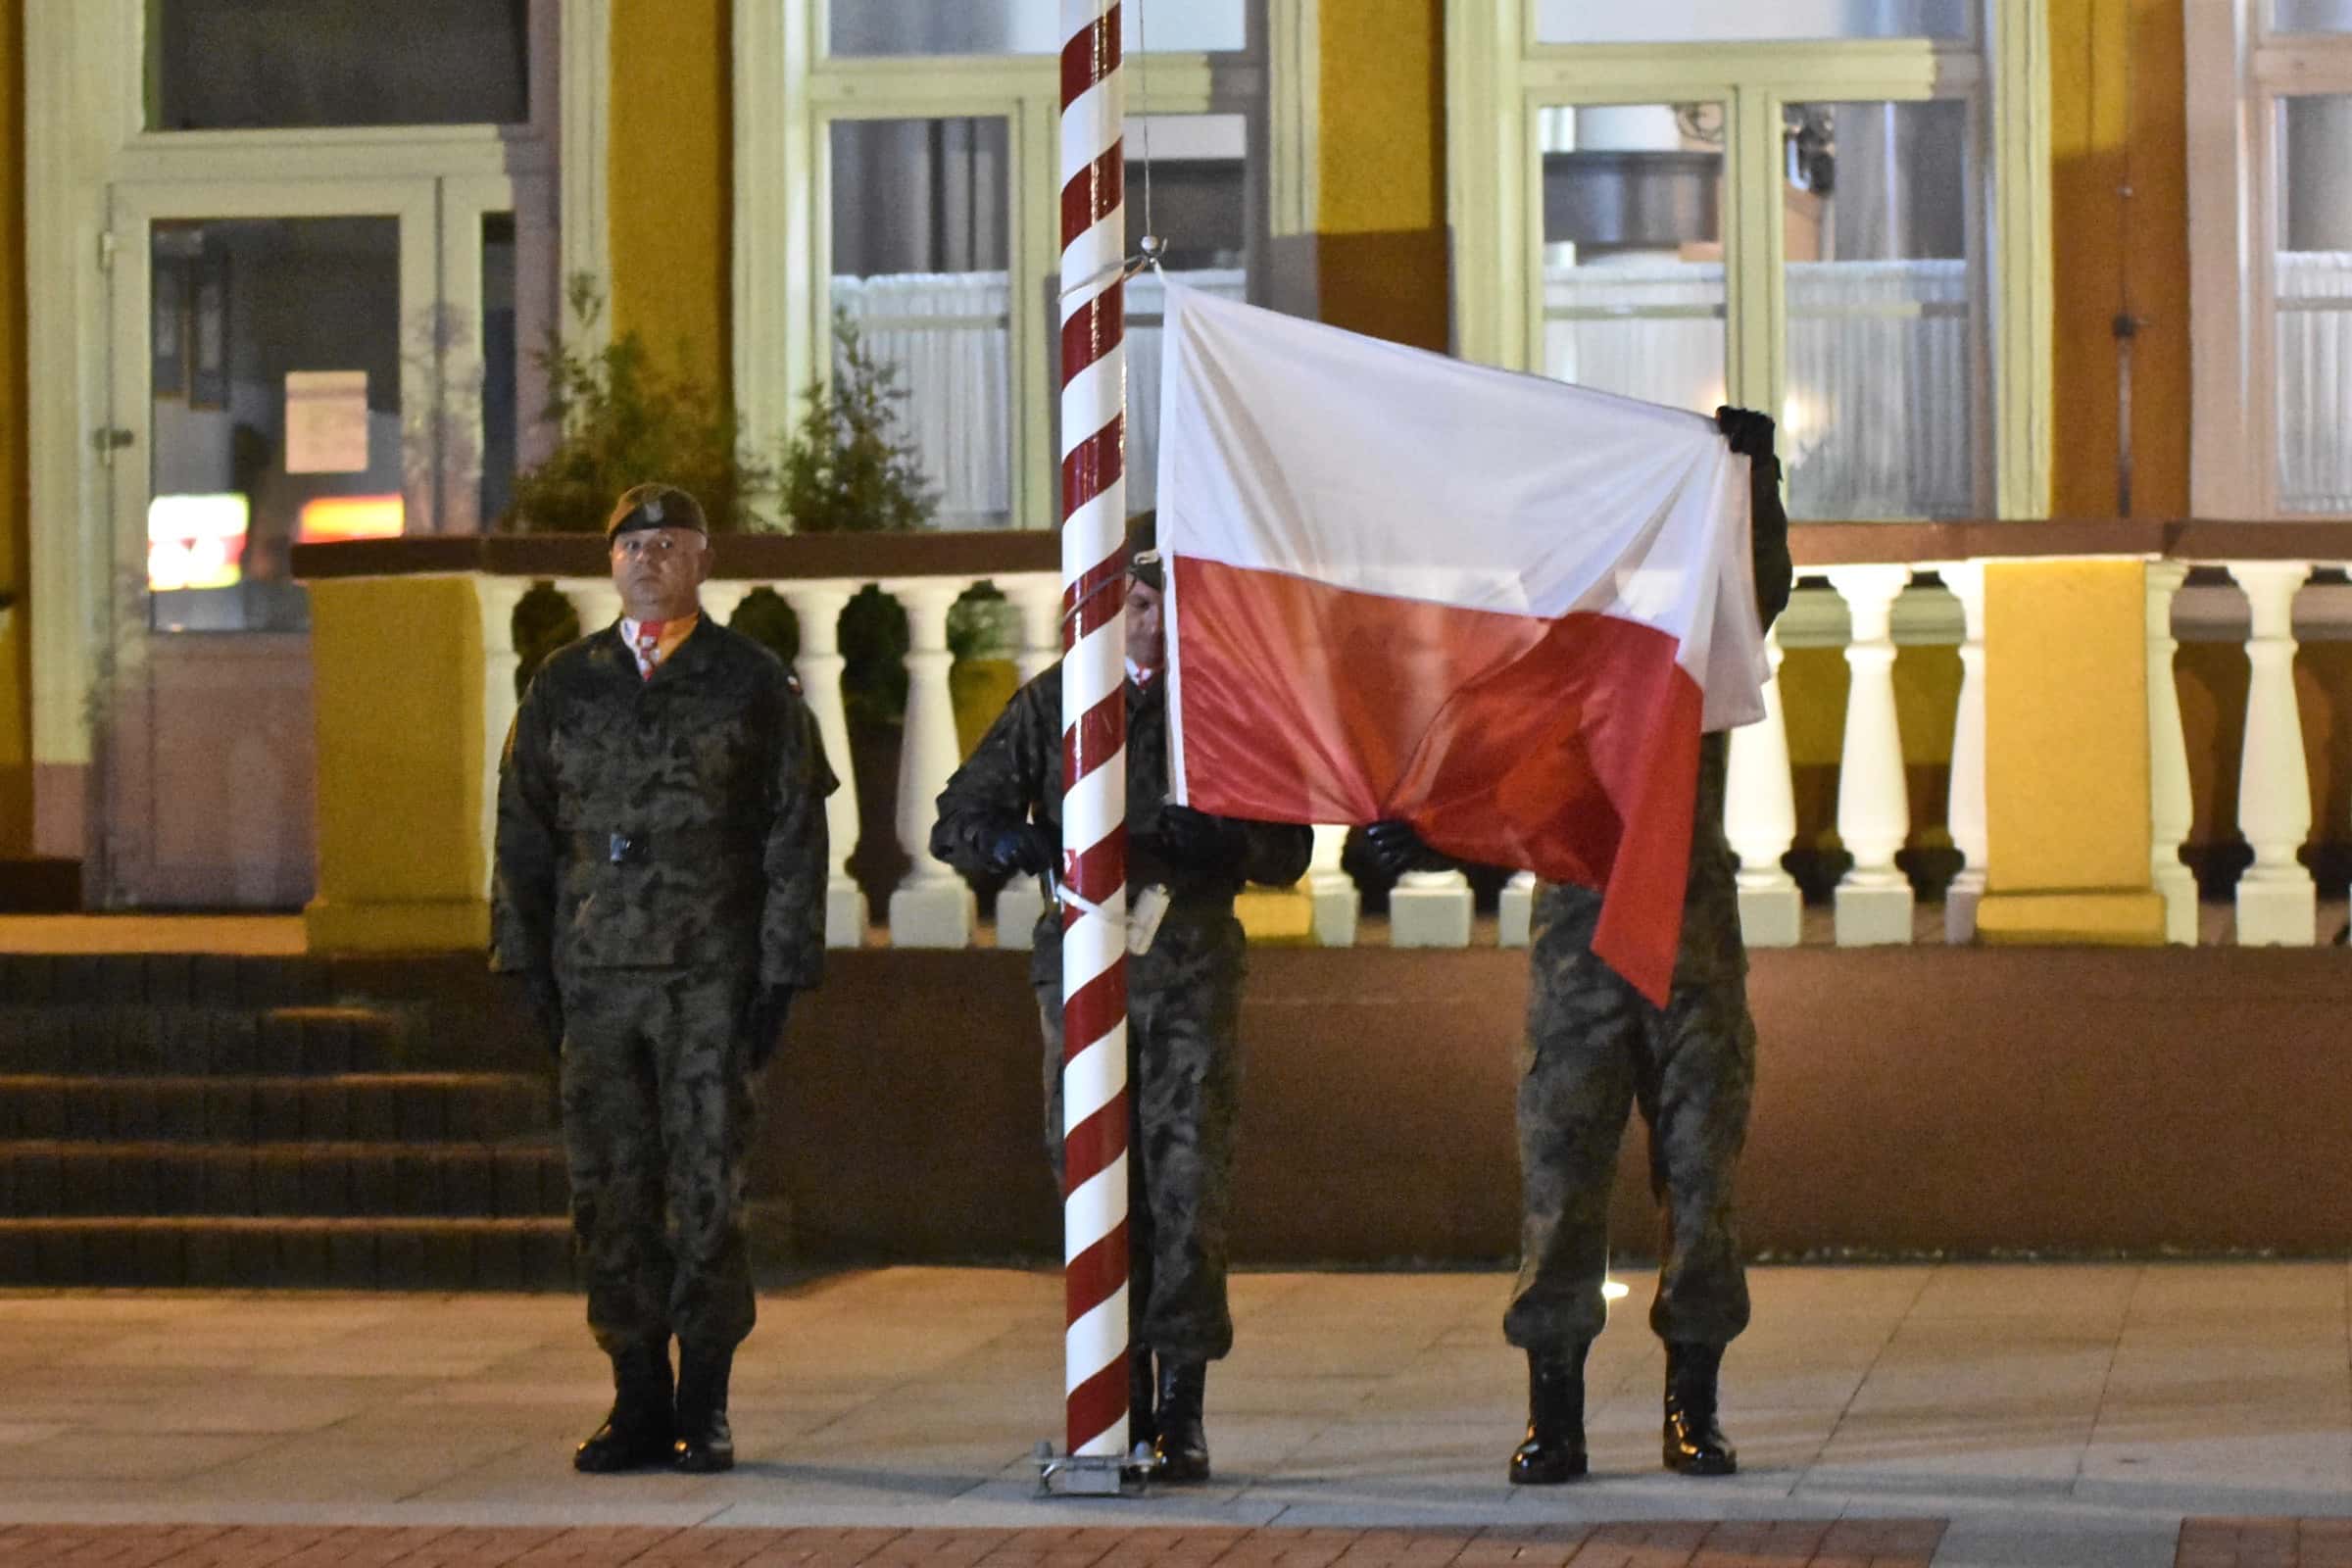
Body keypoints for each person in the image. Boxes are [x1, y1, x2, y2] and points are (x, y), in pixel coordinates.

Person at [1363, 407, 1792, 1485]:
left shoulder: (1697, 639)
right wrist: (1407, 821)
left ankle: (1692, 1409)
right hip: (1578, 946)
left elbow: (1763, 584)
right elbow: (1473, 766)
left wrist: (1757, 480)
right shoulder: (1544, 661)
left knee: (1702, 1183)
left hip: (1691, 945)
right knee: (1561, 1186)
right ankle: (1553, 1414)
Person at [929, 513, 1311, 1484]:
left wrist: (1224, 843)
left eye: (1171, 605)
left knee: (1185, 1182)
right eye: (1140, 605)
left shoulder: (1229, 706)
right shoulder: (1063, 703)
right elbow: (958, 817)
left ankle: (1179, 1407)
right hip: (1085, 969)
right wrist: (1007, 843)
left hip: (1188, 969)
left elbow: (1290, 848)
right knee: (1093, 1175)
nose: (1152, 626)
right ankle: (1116, 1389)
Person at [491, 482, 836, 1476]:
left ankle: (705, 1401)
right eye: (630, 543)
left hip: (707, 979)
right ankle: (635, 1395)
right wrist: (525, 962)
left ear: (701, 558)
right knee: (609, 1192)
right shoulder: (566, 684)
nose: (647, 557)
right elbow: (522, 833)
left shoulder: (751, 682)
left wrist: (780, 972)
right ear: (610, 563)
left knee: (706, 1189)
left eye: (668, 541)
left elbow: (792, 835)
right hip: (596, 980)